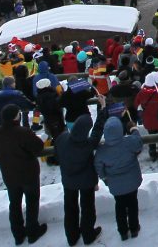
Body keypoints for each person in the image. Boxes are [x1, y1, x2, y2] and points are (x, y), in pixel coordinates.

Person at [0, 105, 50, 244]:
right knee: (32, 202)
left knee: (14, 204)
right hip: (28, 173)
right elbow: (38, 147)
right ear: (16, 116)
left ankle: (18, 234)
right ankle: (32, 231)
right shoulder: (23, 132)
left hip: (9, 174)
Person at [54, 95, 108, 243]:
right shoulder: (88, 144)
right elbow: (98, 129)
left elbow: (57, 155)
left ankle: (71, 237)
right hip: (86, 181)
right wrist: (103, 108)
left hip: (68, 180)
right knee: (87, 207)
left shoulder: (62, 138)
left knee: (70, 208)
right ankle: (88, 235)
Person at [94, 114, 145, 239]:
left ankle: (123, 232)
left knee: (120, 206)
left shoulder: (102, 150)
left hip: (115, 185)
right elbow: (138, 142)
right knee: (133, 204)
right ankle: (134, 228)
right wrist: (134, 129)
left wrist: (104, 178)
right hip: (132, 182)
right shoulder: (129, 142)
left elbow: (98, 166)